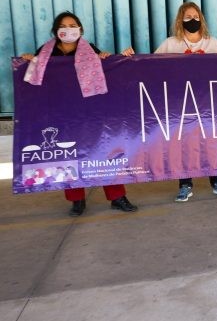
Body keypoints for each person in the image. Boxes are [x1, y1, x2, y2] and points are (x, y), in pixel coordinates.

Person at [123, 2, 217, 202]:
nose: (192, 20)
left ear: (201, 19)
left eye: (196, 16)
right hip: (180, 104)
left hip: (207, 103)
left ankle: (216, 180)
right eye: (188, 17)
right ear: (181, 20)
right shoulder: (171, 44)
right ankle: (185, 183)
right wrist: (130, 57)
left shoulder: (211, 43)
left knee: (211, 142)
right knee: (183, 142)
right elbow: (149, 65)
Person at [21, 11, 138, 216]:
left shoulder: (89, 49)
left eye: (73, 25)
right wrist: (29, 60)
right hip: (61, 112)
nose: (68, 29)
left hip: (90, 112)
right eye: (63, 26)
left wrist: (111, 58)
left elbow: (107, 70)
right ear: (56, 30)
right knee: (69, 156)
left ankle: (117, 197)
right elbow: (36, 75)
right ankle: (77, 200)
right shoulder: (46, 52)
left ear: (80, 29)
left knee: (104, 151)